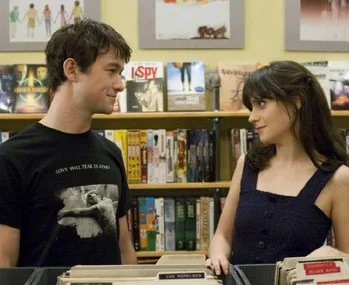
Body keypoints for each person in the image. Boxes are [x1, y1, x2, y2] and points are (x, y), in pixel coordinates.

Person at [0, 18, 136, 267]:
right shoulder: (11, 158)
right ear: (71, 69)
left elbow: (124, 249)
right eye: (111, 70)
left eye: (121, 73)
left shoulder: (111, 153)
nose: (119, 84)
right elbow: (4, 264)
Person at [206, 60, 349, 275]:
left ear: (296, 102)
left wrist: (330, 254)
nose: (252, 117)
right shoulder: (247, 164)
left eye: (261, 103)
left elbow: (347, 258)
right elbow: (222, 236)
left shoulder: (338, 178)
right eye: (251, 107)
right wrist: (217, 255)